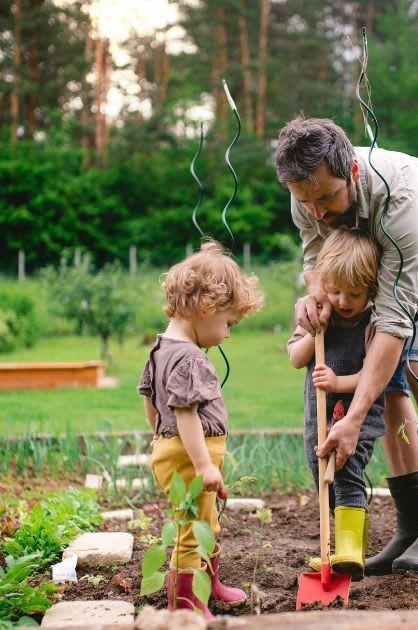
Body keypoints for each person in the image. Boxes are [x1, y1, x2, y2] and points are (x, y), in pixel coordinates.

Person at [275, 116, 418, 574]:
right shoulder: (308, 194)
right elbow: (315, 257)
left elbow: (394, 321)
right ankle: (411, 527)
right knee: (391, 385)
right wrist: (314, 297)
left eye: (326, 199)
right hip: (388, 272)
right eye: (305, 202)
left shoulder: (400, 201)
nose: (317, 212)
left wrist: (354, 419)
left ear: (352, 172)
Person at [139, 241, 264, 619]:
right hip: (191, 456)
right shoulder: (190, 358)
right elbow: (186, 414)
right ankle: (186, 605)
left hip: (175, 450)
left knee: (204, 522)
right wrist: (204, 464)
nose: (227, 334)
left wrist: (157, 434)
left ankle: (209, 584)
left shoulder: (161, 348)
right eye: (229, 324)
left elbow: (149, 398)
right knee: (192, 531)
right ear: (207, 308)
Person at [287, 228, 385, 581]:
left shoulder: (374, 322)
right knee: (322, 477)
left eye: (354, 294)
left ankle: (349, 550)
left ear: (371, 289)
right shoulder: (316, 315)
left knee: (347, 471)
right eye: (335, 291)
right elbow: (295, 358)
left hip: (358, 415)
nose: (343, 300)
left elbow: (376, 372)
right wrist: (317, 331)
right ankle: (340, 548)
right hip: (319, 414)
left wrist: (338, 383)